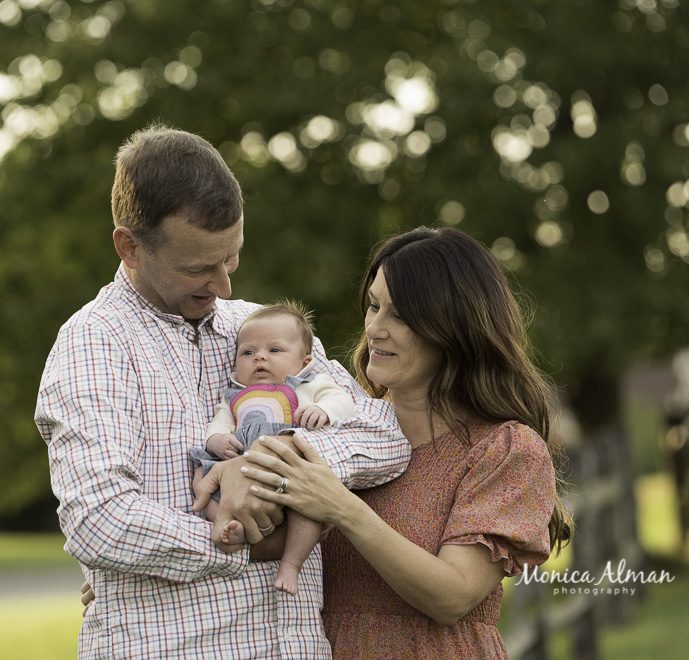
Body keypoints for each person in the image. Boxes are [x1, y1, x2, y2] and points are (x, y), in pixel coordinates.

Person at [34, 124, 411, 658]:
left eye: (230, 258)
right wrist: (247, 543)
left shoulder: (261, 330)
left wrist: (268, 467)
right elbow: (100, 520)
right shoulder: (92, 345)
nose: (224, 286)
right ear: (130, 247)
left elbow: (382, 434)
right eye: (198, 268)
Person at [238, 226, 573, 658]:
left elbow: (453, 596)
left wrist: (341, 507)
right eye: (374, 306)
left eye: (400, 315)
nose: (375, 328)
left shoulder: (502, 449)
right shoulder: (339, 430)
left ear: (453, 326)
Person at [191, 300, 355, 595]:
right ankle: (230, 527)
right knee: (204, 483)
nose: (260, 358)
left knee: (309, 512)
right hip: (242, 474)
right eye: (248, 352)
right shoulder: (236, 397)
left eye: (274, 350)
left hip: (289, 477)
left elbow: (343, 401)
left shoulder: (311, 384)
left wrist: (325, 411)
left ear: (304, 362)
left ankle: (291, 564)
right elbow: (219, 423)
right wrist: (216, 440)